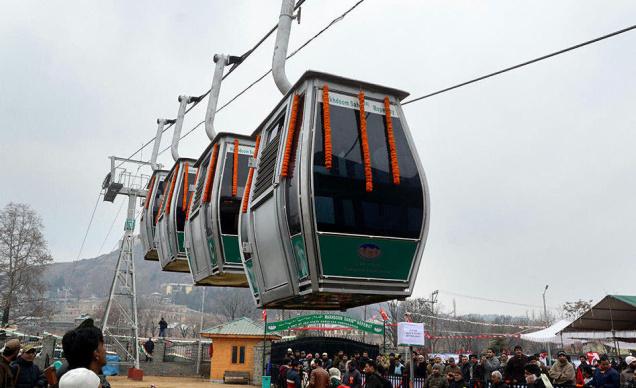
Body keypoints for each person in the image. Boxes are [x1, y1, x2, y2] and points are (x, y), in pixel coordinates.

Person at [60, 320, 108, 388]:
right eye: (102, 345)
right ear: (96, 352)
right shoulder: (88, 383)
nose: (105, 350)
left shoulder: (66, 379)